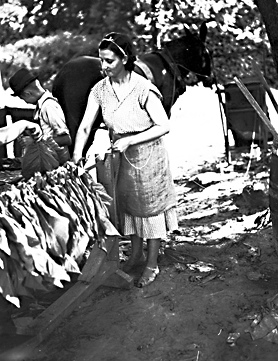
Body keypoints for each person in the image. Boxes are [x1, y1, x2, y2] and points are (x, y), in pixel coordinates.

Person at [72, 32, 178, 287]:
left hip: (149, 157)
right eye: (101, 60)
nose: (103, 66)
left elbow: (163, 125)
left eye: (109, 61)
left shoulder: (143, 88)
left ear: (125, 58)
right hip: (122, 158)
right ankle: (135, 255)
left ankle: (151, 265)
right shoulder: (100, 90)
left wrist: (131, 140)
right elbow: (86, 126)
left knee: (149, 210)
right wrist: (77, 154)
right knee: (129, 207)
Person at [9, 68, 71, 157]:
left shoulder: (49, 106)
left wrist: (34, 142)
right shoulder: (42, 106)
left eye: (23, 99)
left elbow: (66, 139)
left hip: (58, 162)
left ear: (27, 94)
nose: (25, 102)